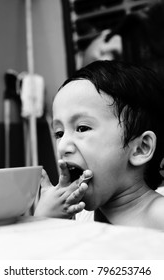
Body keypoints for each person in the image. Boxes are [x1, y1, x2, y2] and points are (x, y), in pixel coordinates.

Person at [35, 60, 164, 230]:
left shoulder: (159, 216)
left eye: (82, 128)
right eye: (59, 133)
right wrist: (43, 221)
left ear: (141, 148)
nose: (62, 146)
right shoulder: (80, 215)